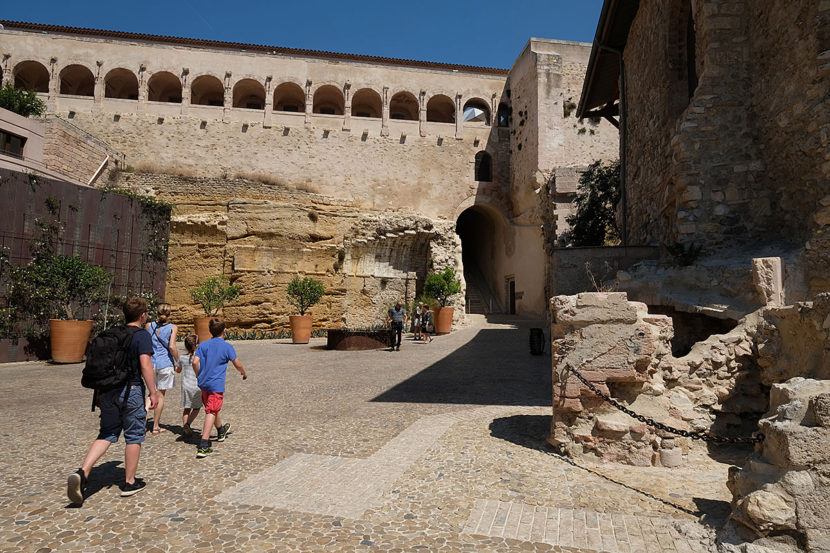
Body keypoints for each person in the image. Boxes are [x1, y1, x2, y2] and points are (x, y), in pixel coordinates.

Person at [67, 296, 158, 504]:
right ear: (143, 315)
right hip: (131, 390)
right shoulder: (141, 335)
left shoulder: (113, 333)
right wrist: (153, 392)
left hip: (107, 390)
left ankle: (83, 472)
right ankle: (129, 482)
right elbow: (145, 365)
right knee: (134, 435)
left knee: (107, 433)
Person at [192, 318, 247, 458]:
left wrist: (199, 375)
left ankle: (221, 430)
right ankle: (204, 444)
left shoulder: (203, 345)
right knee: (211, 410)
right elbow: (237, 363)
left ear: (210, 331)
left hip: (203, 383)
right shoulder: (227, 347)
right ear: (225, 330)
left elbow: (194, 362)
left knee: (213, 407)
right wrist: (243, 372)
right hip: (216, 385)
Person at [145, 303, 179, 435]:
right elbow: (172, 346)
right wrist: (178, 361)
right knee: (160, 395)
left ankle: (143, 421)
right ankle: (155, 426)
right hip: (165, 363)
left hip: (150, 363)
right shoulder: (173, 327)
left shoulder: (149, 326)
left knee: (151, 392)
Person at [177, 334, 201, 441]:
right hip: (196, 386)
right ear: (197, 345)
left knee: (187, 408)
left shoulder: (182, 358)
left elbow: (178, 370)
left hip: (186, 386)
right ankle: (188, 424)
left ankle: (185, 429)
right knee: (196, 408)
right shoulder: (199, 358)